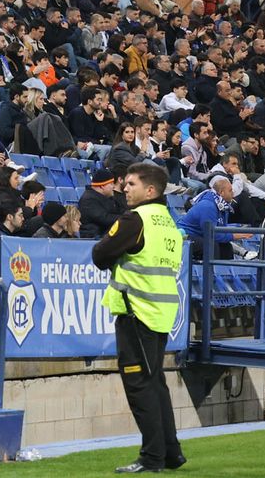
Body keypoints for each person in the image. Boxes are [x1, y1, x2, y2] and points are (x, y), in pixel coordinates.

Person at [93, 162, 185, 474]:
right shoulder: (168, 221)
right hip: (160, 312)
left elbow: (100, 254)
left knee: (140, 386)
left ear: (150, 190)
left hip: (136, 311)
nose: (124, 188)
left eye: (131, 184)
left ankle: (152, 457)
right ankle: (171, 453)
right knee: (155, 382)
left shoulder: (135, 219)